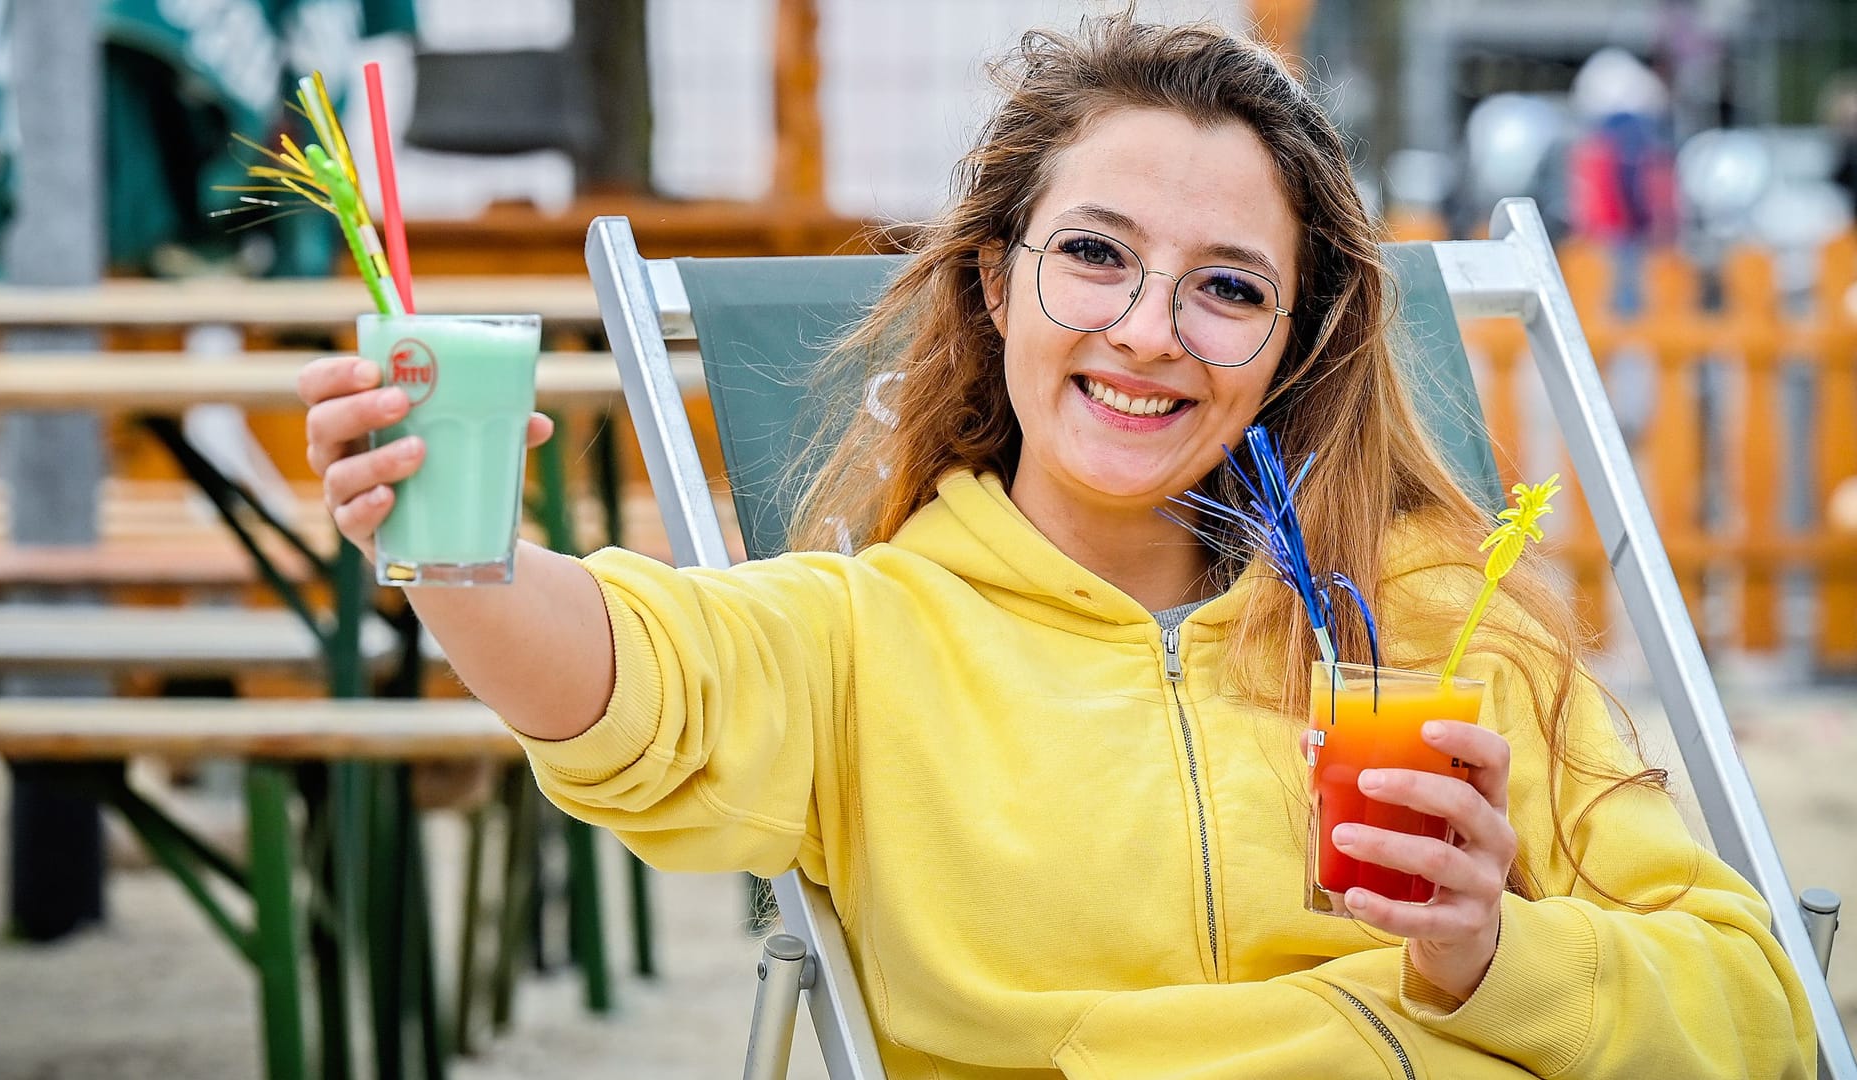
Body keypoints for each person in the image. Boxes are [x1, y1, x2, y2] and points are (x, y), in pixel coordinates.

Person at [297, 14, 1813, 1078]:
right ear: (995, 284)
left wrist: (1493, 955)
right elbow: (636, 686)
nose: (1147, 334)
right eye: (1094, 253)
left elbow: (1757, 1011)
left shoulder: (1430, 624)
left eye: (1228, 288)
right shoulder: (864, 639)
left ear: (1290, 345)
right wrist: (466, 549)